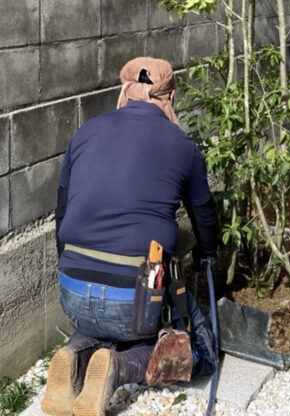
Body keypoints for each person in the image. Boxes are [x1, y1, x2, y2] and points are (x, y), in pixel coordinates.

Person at [40, 57, 219, 416]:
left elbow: (61, 211)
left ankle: (72, 355)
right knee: (200, 349)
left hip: (73, 290)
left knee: (107, 326)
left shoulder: (85, 132)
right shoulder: (183, 146)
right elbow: (203, 215)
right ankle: (119, 369)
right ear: (169, 96)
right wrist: (207, 253)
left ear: (123, 90)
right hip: (134, 298)